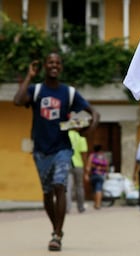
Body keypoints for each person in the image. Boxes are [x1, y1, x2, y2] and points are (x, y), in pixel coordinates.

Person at [13, 52, 99, 251]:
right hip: (41, 150)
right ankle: (56, 229)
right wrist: (29, 76)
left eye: (57, 63)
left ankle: (57, 236)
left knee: (60, 185)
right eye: (50, 62)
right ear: (44, 66)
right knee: (47, 192)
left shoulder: (68, 93)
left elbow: (93, 113)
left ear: (61, 67)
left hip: (62, 148)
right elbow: (18, 101)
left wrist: (89, 128)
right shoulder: (36, 90)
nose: (54, 65)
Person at [66, 128, 88, 213]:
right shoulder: (81, 138)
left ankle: (67, 208)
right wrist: (86, 167)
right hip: (78, 164)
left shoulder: (66, 136)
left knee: (68, 187)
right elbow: (84, 154)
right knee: (79, 186)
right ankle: (81, 207)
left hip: (67, 163)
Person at [85, 144, 109, 210]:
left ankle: (96, 204)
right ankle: (98, 204)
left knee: (95, 189)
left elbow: (88, 166)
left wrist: (86, 174)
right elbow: (107, 167)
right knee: (99, 189)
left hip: (94, 174)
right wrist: (107, 174)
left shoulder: (92, 156)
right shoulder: (104, 157)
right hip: (102, 175)